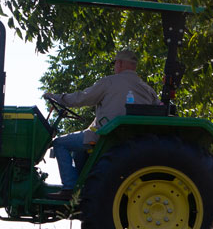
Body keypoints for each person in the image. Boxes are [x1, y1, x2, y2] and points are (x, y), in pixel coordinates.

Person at [43, 48, 160, 199]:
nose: (114, 67)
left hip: (105, 137)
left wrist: (58, 97)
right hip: (133, 140)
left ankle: (70, 189)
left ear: (120, 63)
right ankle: (83, 185)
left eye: (115, 63)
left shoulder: (109, 82)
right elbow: (159, 109)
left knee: (59, 143)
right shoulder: (147, 89)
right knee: (79, 148)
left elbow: (81, 99)